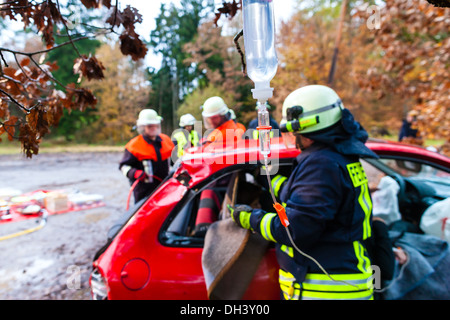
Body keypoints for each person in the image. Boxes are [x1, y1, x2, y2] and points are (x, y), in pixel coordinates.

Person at [229, 85, 379, 300]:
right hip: (342, 281)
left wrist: (250, 218)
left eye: (294, 132)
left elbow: (294, 230)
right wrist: (265, 176)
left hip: (327, 291)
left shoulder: (321, 165)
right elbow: (299, 197)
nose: (293, 139)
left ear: (309, 129)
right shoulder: (337, 157)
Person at [119, 109, 174, 204]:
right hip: (143, 192)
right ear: (142, 127)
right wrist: (134, 173)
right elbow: (123, 167)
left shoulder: (166, 141)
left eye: (155, 125)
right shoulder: (134, 145)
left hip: (164, 188)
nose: (154, 128)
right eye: (150, 126)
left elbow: (174, 161)